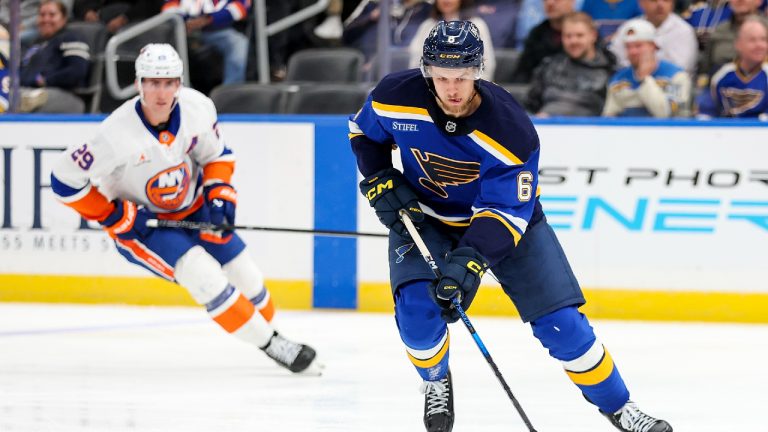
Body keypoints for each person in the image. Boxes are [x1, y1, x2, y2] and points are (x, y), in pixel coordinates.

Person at [349, 19, 673, 432]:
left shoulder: (509, 129)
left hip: (507, 225)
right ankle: (434, 381)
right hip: (425, 218)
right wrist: (379, 177)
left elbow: (504, 211)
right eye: (442, 77)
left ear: (479, 71)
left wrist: (469, 262)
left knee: (563, 327)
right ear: (427, 71)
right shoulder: (395, 95)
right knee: (416, 311)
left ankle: (620, 407)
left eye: (462, 77)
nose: (452, 89)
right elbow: (363, 132)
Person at [50, 43, 321, 376]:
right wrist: (114, 215)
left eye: (168, 82)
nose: (160, 92)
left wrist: (220, 196)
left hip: (193, 207)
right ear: (138, 84)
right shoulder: (113, 134)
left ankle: (271, 334)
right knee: (204, 278)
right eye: (152, 82)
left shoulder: (198, 108)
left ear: (179, 83)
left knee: (246, 276)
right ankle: (273, 346)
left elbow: (216, 156)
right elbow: (64, 180)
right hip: (145, 227)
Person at [525, 12, 616, 116]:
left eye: (579, 35)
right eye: (568, 36)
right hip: (546, 128)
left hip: (589, 129)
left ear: (593, 35)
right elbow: (530, 105)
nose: (573, 41)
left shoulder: (609, 71)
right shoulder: (548, 66)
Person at [603, 18, 691, 117]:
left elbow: (666, 114)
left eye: (638, 46)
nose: (633, 51)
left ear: (653, 46)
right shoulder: (618, 80)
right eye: (628, 47)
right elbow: (609, 118)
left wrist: (644, 78)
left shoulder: (676, 76)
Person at [20, 0, 90, 113]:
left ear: (64, 18)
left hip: (64, 95)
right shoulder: (35, 43)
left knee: (20, 101)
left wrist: (44, 80)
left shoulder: (72, 37)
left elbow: (76, 71)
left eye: (52, 15)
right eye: (42, 15)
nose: (46, 19)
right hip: (28, 91)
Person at [162, 0, 250, 85]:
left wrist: (209, 19)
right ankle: (180, 92)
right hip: (182, 30)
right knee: (164, 45)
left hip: (218, 30)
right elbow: (168, 8)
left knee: (239, 43)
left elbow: (241, 7)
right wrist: (182, 22)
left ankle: (229, 94)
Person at [697, 15, 768, 119]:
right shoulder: (720, 75)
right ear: (738, 44)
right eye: (752, 40)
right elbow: (705, 114)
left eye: (764, 40)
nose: (759, 45)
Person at [408, 0, 496, 80]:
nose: (446, 1)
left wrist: (476, 91)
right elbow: (415, 62)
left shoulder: (476, 25)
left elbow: (487, 64)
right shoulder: (427, 25)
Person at [609, 0, 698, 75]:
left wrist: (642, 66)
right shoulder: (628, 27)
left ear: (672, 3)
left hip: (670, 86)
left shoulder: (684, 30)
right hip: (631, 84)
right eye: (654, 0)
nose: (660, 4)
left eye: (666, 0)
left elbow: (681, 68)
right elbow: (614, 59)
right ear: (641, 3)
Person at [511, 0, 575, 83]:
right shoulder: (537, 34)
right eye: (545, 0)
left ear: (572, 1)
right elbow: (523, 72)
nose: (550, 3)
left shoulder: (585, 34)